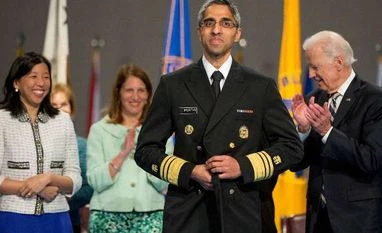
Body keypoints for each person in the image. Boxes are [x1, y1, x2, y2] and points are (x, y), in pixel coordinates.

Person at [134, 1, 304, 232]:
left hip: (242, 210)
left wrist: (242, 166)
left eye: (226, 23)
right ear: (199, 32)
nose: (216, 30)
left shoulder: (260, 87)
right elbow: (145, 151)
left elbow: (291, 148)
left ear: (237, 33)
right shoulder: (173, 84)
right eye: (209, 23)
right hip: (189, 212)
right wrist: (191, 171)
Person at [291, 30, 382, 233]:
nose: (311, 75)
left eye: (315, 67)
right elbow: (296, 164)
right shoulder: (314, 100)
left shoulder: (375, 101)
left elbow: (371, 159)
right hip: (318, 218)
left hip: (358, 220)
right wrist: (303, 130)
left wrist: (327, 132)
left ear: (339, 62)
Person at [0, 52, 82, 233]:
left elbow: (75, 178)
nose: (41, 83)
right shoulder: (2, 120)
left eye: (46, 77)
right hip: (14, 217)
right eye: (33, 76)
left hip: (57, 218)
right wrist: (35, 188)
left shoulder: (63, 120)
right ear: (16, 83)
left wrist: (49, 178)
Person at [86, 64, 173, 233]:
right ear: (119, 92)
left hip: (150, 215)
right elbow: (95, 181)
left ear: (148, 95)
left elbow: (163, 181)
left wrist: (148, 154)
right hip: (106, 216)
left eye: (141, 90)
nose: (135, 96)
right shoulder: (99, 130)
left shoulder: (161, 131)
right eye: (129, 90)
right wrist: (123, 153)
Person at [51, 84, 94, 233]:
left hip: (69, 221)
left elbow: (89, 187)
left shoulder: (81, 145)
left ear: (72, 110)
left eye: (64, 104)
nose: (59, 109)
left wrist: (61, 200)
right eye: (54, 105)